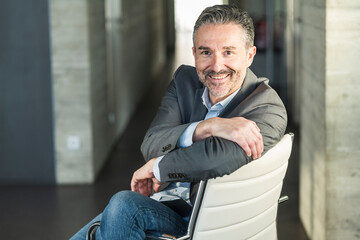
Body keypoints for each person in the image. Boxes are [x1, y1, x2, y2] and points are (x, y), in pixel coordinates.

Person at [70, 4, 287, 240]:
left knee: (123, 206)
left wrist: (157, 168)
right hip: (166, 205)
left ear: (249, 55)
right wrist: (207, 127)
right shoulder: (185, 81)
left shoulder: (267, 108)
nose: (216, 66)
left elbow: (214, 157)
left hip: (205, 222)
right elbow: (152, 143)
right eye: (206, 52)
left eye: (228, 52)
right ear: (193, 53)